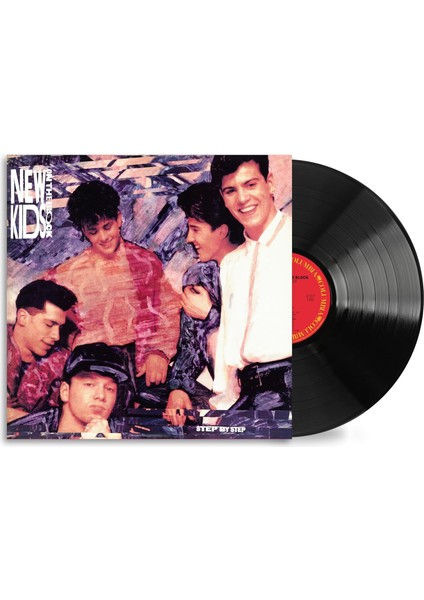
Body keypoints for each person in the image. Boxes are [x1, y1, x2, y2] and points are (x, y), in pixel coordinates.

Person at [44, 180, 180, 388]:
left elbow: (168, 310)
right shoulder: (67, 274)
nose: (103, 237)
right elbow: (36, 307)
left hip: (139, 366)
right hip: (89, 367)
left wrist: (159, 352)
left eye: (107, 227)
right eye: (93, 231)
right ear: (83, 231)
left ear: (119, 218)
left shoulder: (144, 262)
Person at [210, 155, 292, 412]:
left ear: (270, 183)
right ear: (223, 197)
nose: (242, 199)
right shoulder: (231, 263)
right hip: (249, 391)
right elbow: (229, 338)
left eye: (250, 184)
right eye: (231, 191)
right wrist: (223, 404)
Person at [162, 182, 244, 426]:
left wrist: (210, 315)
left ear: (221, 231)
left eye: (196, 229)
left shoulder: (255, 266)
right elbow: (190, 341)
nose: (189, 238)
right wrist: (179, 387)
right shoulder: (199, 275)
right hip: (219, 394)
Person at [7, 343, 131, 436]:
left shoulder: (128, 435)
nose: (101, 396)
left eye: (109, 388)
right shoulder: (21, 435)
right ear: (65, 391)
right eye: (89, 384)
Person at [7, 279, 78, 422]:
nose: (56, 336)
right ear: (23, 317)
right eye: (49, 324)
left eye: (60, 328)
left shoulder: (62, 361)